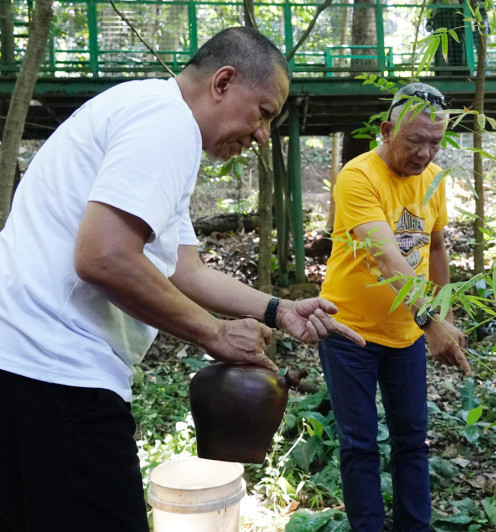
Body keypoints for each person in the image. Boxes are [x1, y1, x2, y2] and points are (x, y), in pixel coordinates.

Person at [0, 27, 363, 532]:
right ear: (223, 82)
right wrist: (213, 333)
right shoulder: (166, 124)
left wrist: (278, 310)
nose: (262, 135)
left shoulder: (152, 116)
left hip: (25, 369)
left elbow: (185, 269)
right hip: (56, 373)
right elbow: (103, 256)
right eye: (262, 113)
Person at [317, 82, 471, 531]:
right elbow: (387, 256)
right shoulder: (357, 177)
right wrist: (431, 321)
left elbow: (436, 248)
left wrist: (441, 314)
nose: (425, 153)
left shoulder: (434, 180)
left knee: (413, 441)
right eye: (415, 141)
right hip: (349, 332)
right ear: (387, 131)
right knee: (360, 443)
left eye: (435, 143)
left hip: (406, 335)